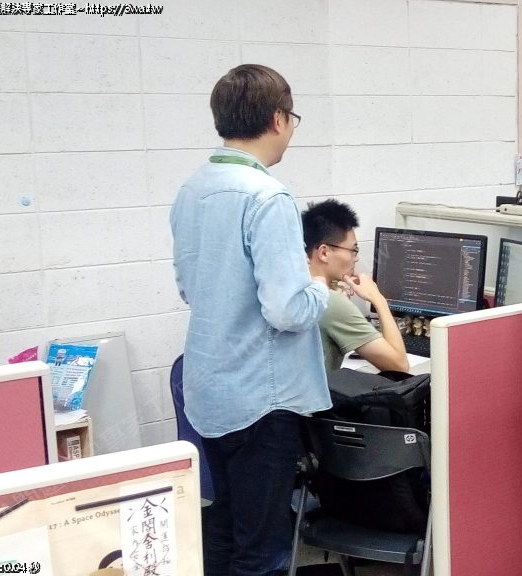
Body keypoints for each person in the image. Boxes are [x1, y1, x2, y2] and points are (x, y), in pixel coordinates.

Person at [169, 64, 330, 576]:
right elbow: (287, 310)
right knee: (262, 548)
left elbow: (188, 288)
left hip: (210, 390)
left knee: (224, 527)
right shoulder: (268, 197)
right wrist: (320, 288)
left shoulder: (192, 190)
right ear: (279, 119)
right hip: (262, 398)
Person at [301, 199, 410, 374]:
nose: (356, 258)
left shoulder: (297, 288)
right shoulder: (330, 302)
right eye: (353, 250)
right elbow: (400, 366)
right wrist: (378, 298)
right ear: (324, 253)